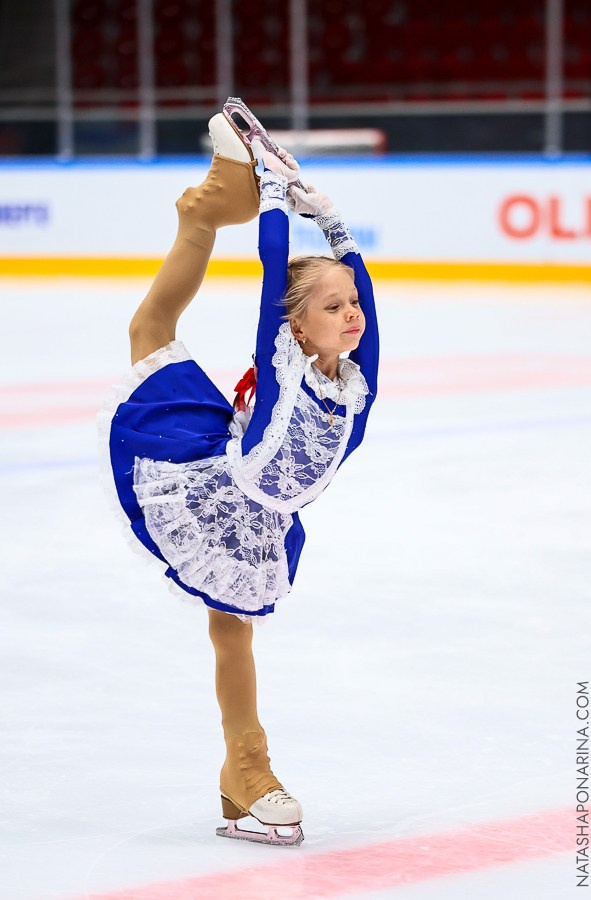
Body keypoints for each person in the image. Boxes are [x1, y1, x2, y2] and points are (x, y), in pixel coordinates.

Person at [98, 106, 379, 846]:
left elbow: (366, 305)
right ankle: (250, 765)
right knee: (149, 332)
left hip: (265, 522)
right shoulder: (283, 365)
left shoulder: (357, 383)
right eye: (333, 306)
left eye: (351, 303)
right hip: (211, 490)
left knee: (234, 633)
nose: (351, 316)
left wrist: (340, 230)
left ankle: (241, 772)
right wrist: (278, 206)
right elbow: (271, 275)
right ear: (294, 327)